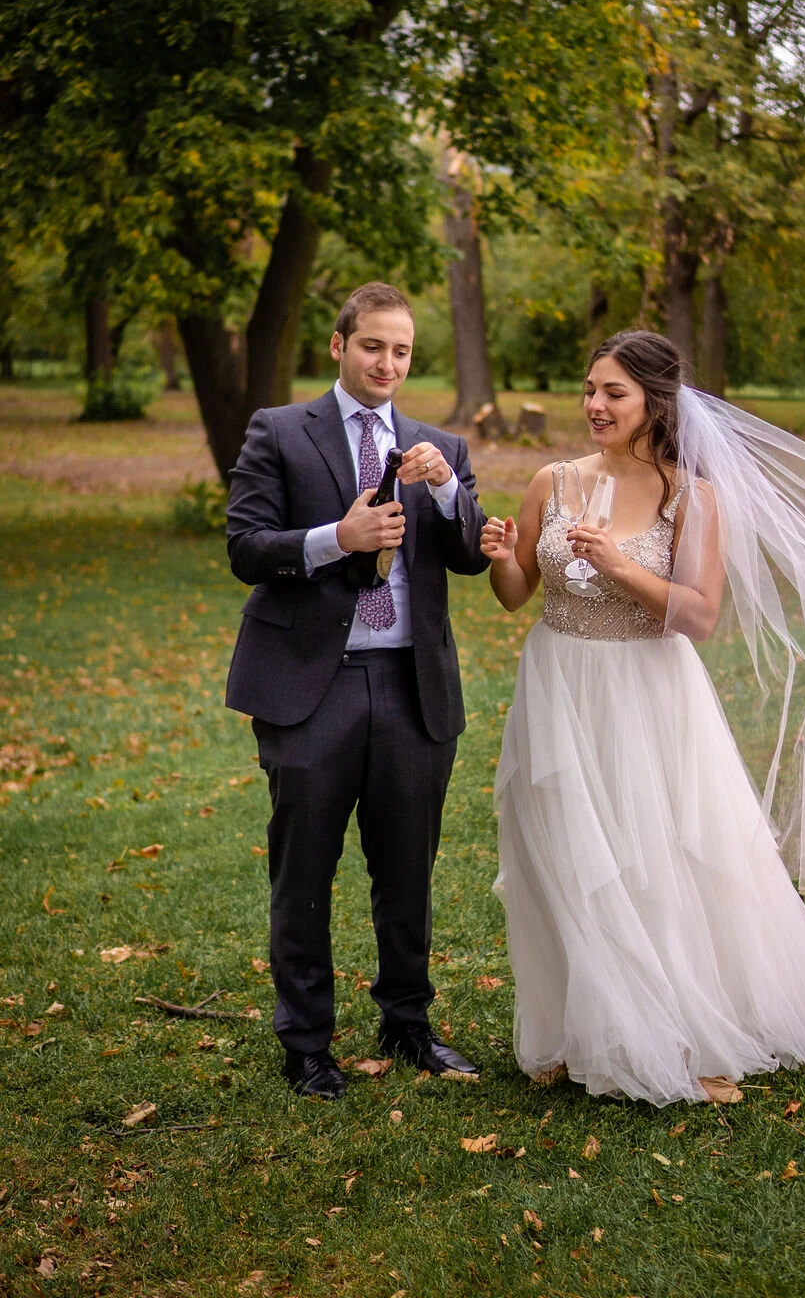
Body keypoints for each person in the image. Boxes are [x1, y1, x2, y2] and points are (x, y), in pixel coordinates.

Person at [480, 330, 805, 1106]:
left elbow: (698, 615)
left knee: (650, 857)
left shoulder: (690, 496)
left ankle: (685, 1032)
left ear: (655, 402)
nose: (594, 405)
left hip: (646, 692)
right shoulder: (552, 480)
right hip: (558, 684)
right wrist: (500, 557)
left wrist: (619, 564)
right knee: (562, 851)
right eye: (589, 390)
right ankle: (578, 1026)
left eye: (613, 393)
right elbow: (518, 593)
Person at [225, 282, 490, 1100]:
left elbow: (470, 555)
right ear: (340, 345)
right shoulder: (280, 430)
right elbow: (245, 546)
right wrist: (335, 538)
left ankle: (407, 1023)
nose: (387, 363)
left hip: (413, 685)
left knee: (407, 871)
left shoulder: (437, 446)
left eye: (401, 351)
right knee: (304, 872)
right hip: (313, 683)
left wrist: (446, 491)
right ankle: (306, 1042)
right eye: (373, 345)